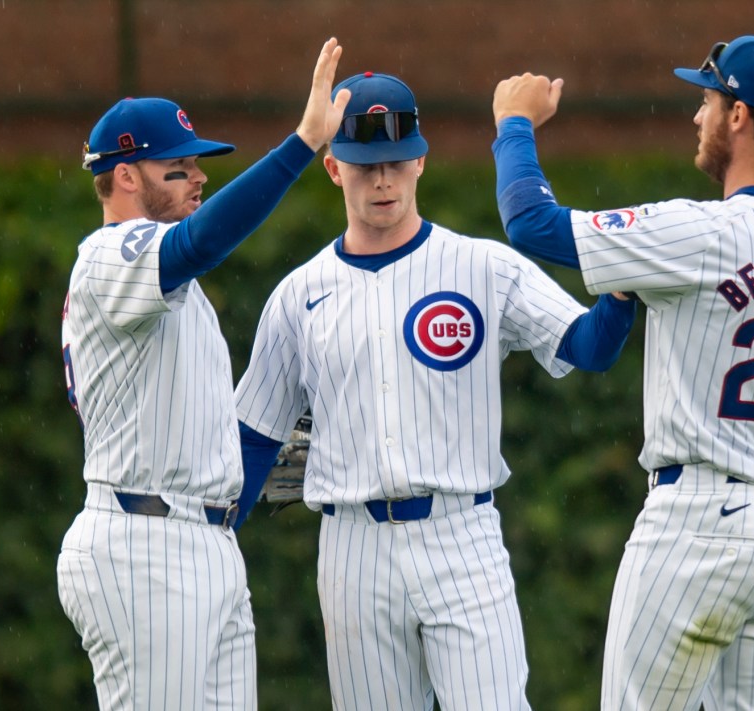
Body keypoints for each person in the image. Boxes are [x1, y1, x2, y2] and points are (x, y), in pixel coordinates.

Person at [491, 35, 754, 711]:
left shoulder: (699, 231)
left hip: (701, 521)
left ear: (739, 115)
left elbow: (529, 222)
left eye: (708, 101)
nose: (698, 116)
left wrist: (514, 124)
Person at [232, 71, 637, 710]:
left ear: (421, 160)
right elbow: (254, 438)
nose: (383, 180)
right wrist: (213, 534)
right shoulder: (298, 294)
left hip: (461, 533)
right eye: (365, 166)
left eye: (396, 162)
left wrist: (621, 290)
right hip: (352, 546)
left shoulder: (484, 265)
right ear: (334, 169)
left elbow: (588, 348)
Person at [56, 38, 351, 710]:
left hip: (202, 542)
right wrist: (303, 143)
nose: (198, 177)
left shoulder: (174, 294)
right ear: (125, 176)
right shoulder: (110, 254)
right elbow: (203, 240)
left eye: (197, 165)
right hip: (144, 544)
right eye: (179, 166)